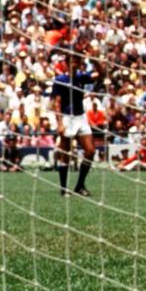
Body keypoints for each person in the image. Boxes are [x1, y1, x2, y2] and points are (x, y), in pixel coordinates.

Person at [50, 48, 100, 197]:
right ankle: (64, 188)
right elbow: (57, 103)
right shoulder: (60, 80)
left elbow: (101, 75)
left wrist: (95, 60)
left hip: (81, 117)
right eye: (71, 61)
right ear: (66, 63)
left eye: (77, 61)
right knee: (65, 153)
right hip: (67, 118)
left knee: (90, 151)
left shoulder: (81, 77)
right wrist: (59, 123)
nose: (74, 63)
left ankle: (79, 185)